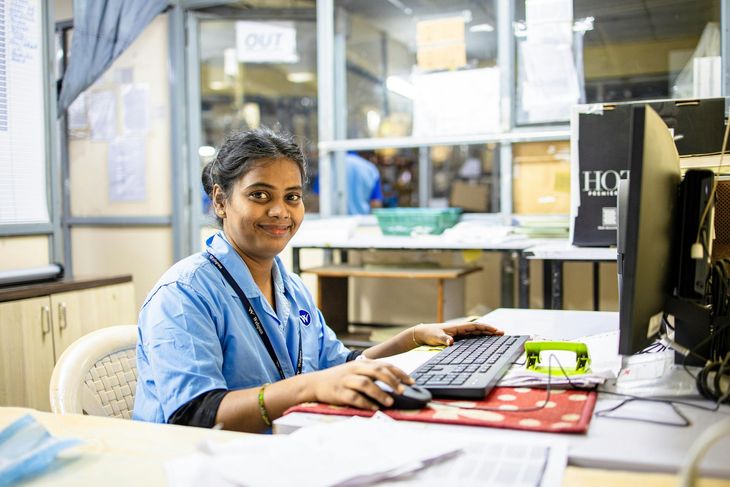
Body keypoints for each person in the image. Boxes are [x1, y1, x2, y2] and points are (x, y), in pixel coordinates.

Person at [133, 127, 502, 433]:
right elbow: (194, 416)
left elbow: (336, 366)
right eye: (260, 195)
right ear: (220, 201)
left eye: (292, 197)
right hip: (202, 466)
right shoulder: (184, 294)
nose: (280, 211)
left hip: (287, 450)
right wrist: (307, 387)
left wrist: (411, 338)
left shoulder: (289, 288)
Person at [312, 151, 384, 214]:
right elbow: (376, 203)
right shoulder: (370, 169)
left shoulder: (328, 167)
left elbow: (318, 199)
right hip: (362, 222)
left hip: (333, 222)